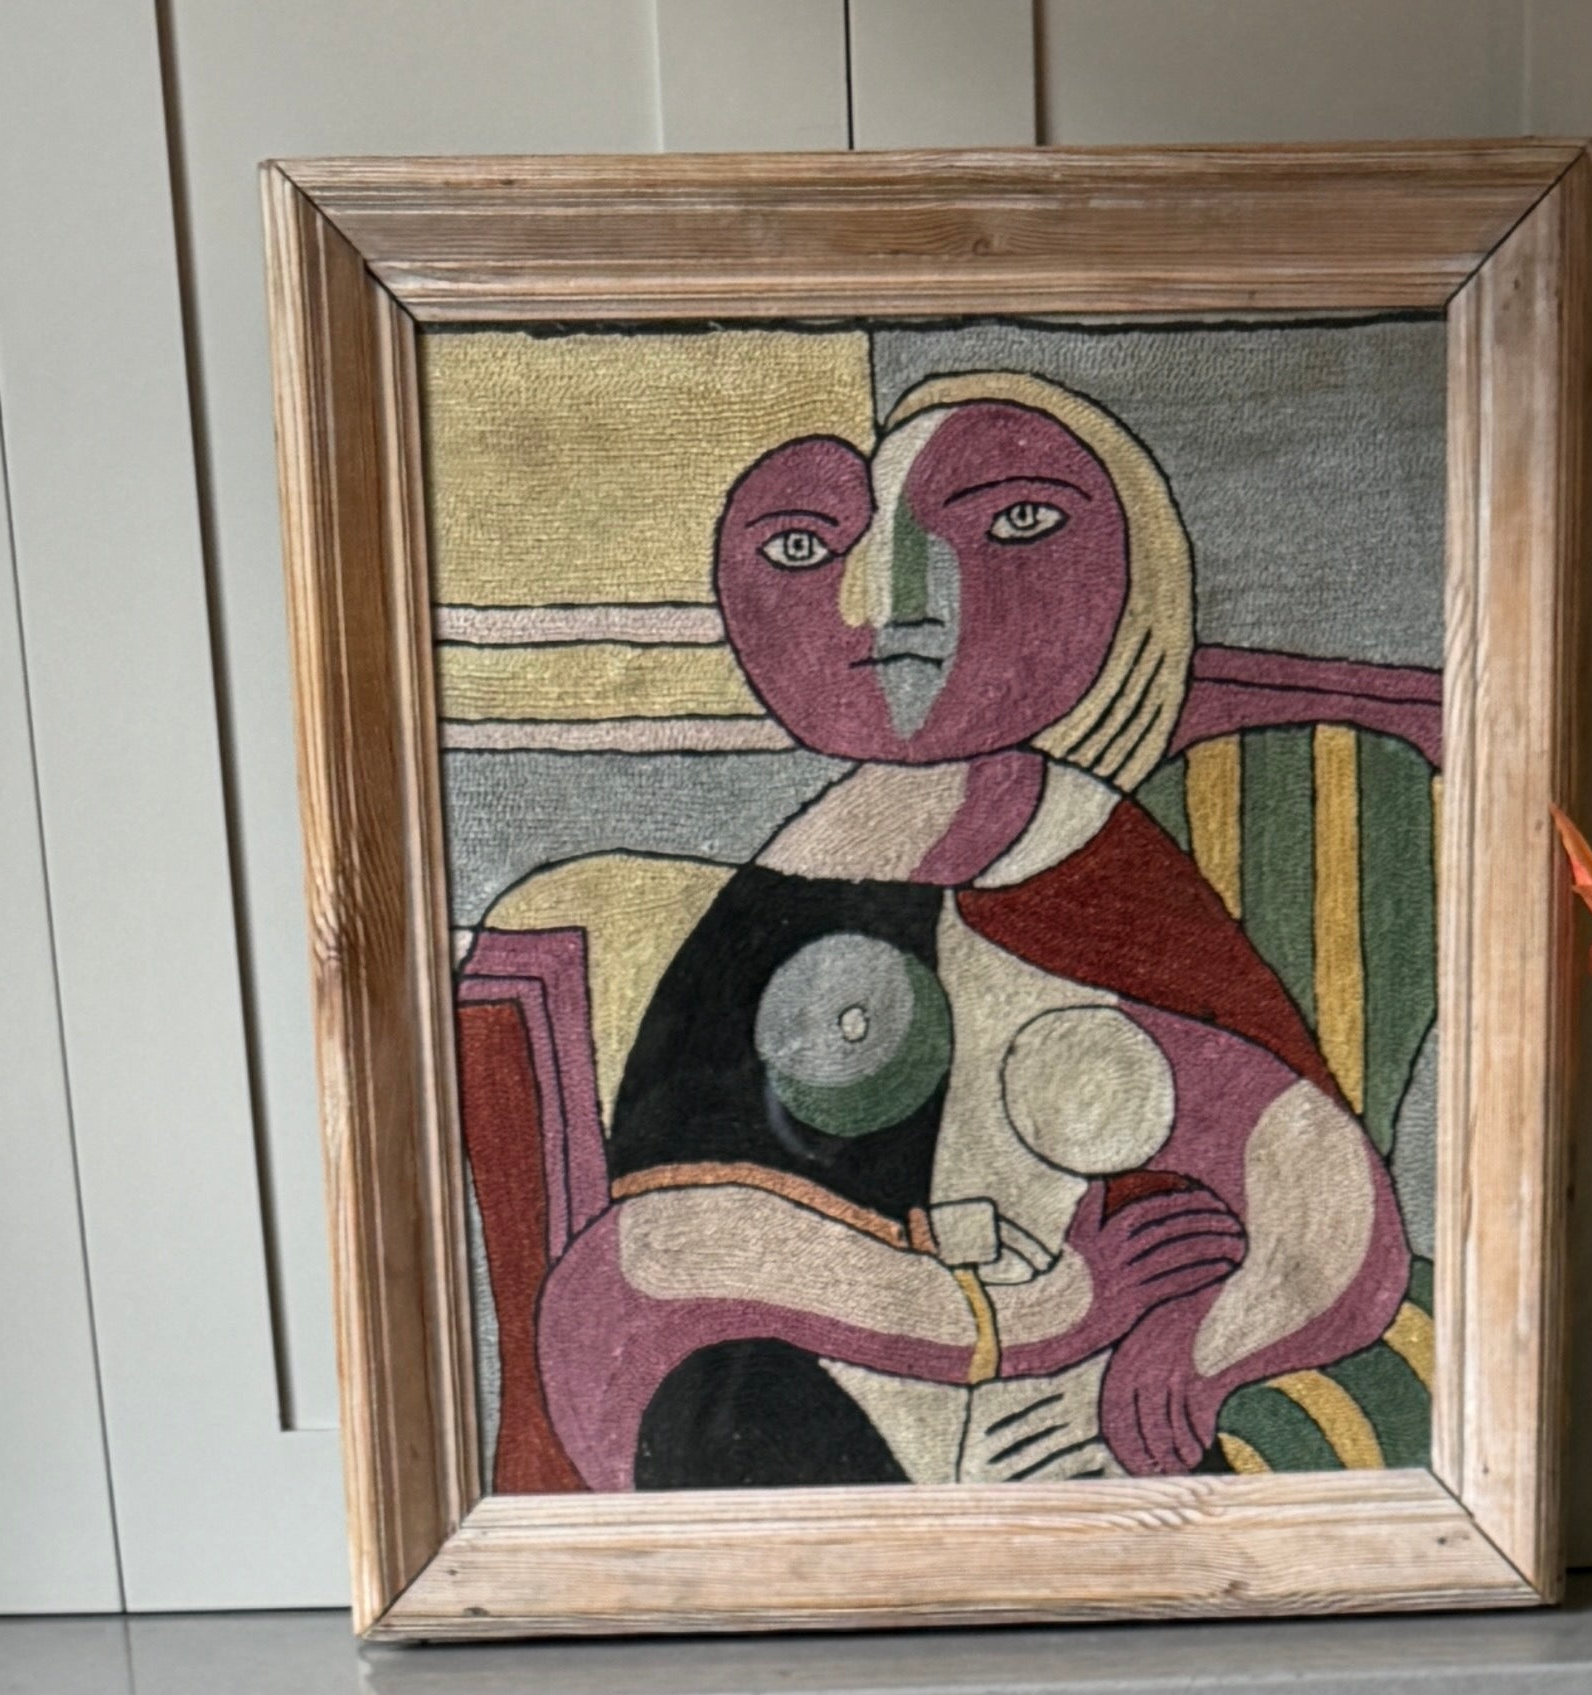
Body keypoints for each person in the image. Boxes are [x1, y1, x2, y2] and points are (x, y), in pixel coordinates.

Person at [518, 378, 1411, 1492]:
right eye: (803, 545)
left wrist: (1202, 1347)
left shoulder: (1092, 865)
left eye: (1017, 525)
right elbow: (655, 1258)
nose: (893, 604)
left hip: (1070, 1438)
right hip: (814, 1406)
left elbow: (1319, 1192)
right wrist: (1023, 1315)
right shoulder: (787, 890)